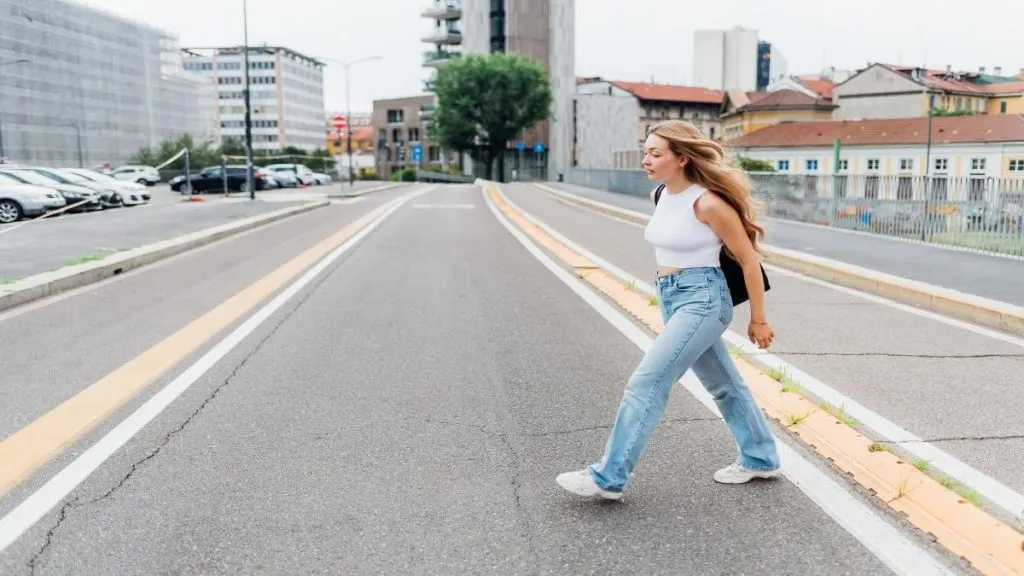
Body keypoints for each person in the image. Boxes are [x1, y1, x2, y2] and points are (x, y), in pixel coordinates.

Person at [556, 119, 781, 500]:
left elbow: (748, 260)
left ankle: (608, 477)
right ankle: (760, 457)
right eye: (645, 151)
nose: (646, 158)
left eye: (655, 153)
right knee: (724, 384)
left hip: (704, 299)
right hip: (672, 296)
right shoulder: (661, 195)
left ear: (681, 158)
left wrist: (758, 319)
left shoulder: (708, 202)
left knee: (647, 381)